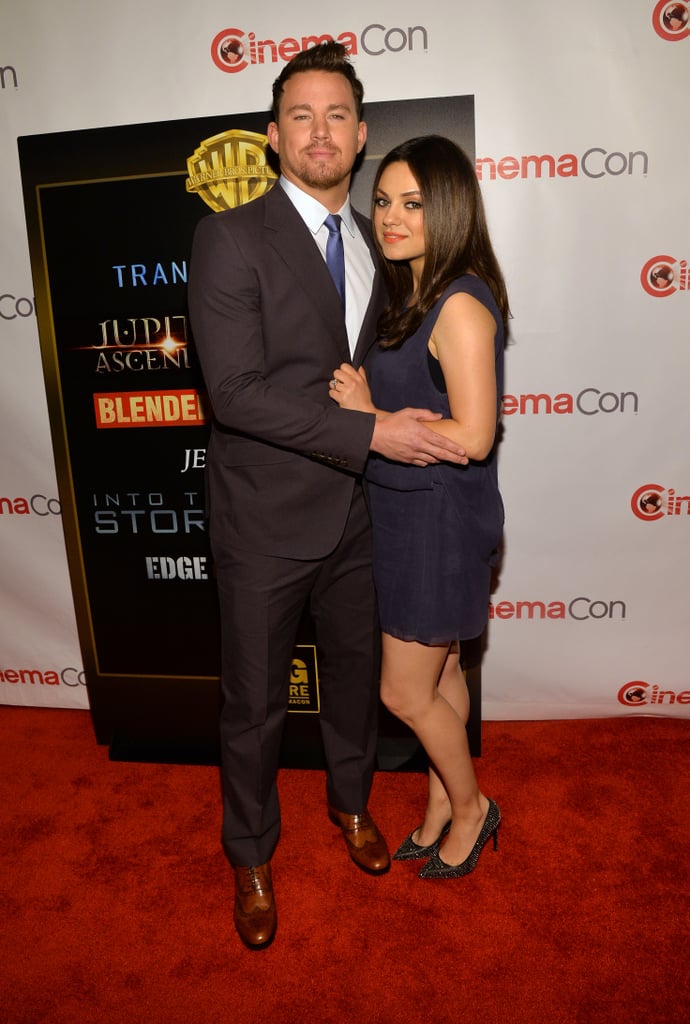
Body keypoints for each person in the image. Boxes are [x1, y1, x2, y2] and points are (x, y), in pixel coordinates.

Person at [188, 46, 468, 948]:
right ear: (274, 138)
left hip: (365, 515)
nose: (321, 130)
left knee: (354, 686)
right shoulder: (231, 237)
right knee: (255, 705)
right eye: (301, 115)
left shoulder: (387, 241)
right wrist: (372, 432)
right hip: (266, 522)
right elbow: (234, 394)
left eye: (338, 114)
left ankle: (350, 806)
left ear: (360, 134)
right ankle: (251, 853)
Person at [328, 135, 507, 880]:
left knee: (402, 689)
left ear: (451, 208)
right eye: (383, 201)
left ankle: (472, 808)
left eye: (412, 203)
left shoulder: (460, 304)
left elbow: (474, 433)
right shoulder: (412, 292)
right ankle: (440, 799)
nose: (391, 218)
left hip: (439, 518)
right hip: (405, 512)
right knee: (439, 680)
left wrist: (373, 416)